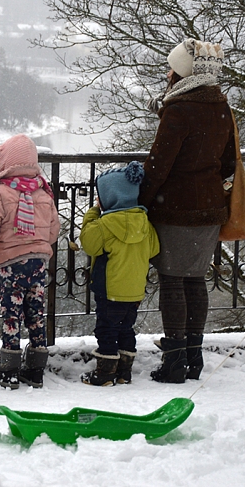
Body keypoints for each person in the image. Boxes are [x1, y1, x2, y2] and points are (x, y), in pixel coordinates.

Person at [139, 38, 236, 384]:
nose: (167, 72)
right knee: (195, 281)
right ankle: (193, 358)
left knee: (172, 281)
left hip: (177, 208)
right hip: (210, 209)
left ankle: (174, 362)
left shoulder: (179, 110)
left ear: (182, 74)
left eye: (172, 68)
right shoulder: (220, 106)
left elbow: (158, 165)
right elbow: (228, 163)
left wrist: (142, 201)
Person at [0, 134, 60, 389]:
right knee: (35, 312)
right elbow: (53, 232)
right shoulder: (43, 192)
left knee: (12, 313)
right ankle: (36, 367)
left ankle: (9, 369)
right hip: (39, 262)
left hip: (12, 263)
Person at [79, 161, 160, 386]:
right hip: (134, 291)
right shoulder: (145, 223)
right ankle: (125, 372)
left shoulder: (105, 225)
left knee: (106, 329)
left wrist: (93, 213)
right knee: (126, 329)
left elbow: (89, 243)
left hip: (110, 290)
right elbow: (154, 249)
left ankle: (105, 374)